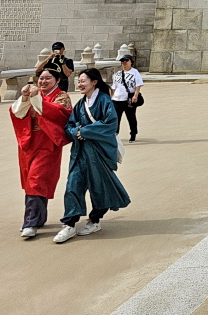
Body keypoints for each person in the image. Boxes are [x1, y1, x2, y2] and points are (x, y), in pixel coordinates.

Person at [54, 69, 131, 243]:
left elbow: (110, 124)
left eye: (83, 81)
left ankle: (95, 220)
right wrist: (76, 132)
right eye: (78, 81)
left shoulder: (104, 101)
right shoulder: (81, 104)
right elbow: (69, 126)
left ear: (94, 82)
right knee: (73, 185)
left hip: (98, 152)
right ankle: (69, 224)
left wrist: (85, 131)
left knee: (99, 187)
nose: (79, 84)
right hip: (80, 152)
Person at [10, 69, 72, 238]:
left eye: (48, 78)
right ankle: (38, 218)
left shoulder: (62, 97)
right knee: (32, 180)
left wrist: (36, 97)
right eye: (41, 78)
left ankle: (30, 222)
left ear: (57, 80)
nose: (43, 82)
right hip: (29, 143)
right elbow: (17, 112)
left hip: (47, 144)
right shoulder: (32, 94)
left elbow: (57, 114)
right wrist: (24, 98)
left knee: (36, 179)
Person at [111, 55, 144, 142]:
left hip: (128, 99)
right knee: (116, 118)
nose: (124, 63)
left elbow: (138, 85)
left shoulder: (135, 72)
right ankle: (115, 134)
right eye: (122, 61)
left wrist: (135, 95)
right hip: (117, 99)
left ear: (131, 62)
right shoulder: (117, 74)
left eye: (126, 60)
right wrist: (110, 97)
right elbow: (113, 87)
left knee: (131, 117)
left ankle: (133, 134)